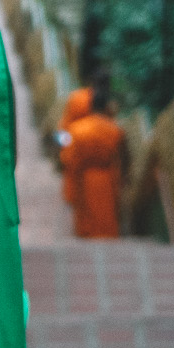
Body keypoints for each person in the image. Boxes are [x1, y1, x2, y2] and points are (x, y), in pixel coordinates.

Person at [61, 84, 126, 239]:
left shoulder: (77, 129)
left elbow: (67, 157)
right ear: (106, 107)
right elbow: (123, 157)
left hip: (84, 179)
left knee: (87, 224)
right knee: (107, 219)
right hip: (107, 179)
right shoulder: (115, 130)